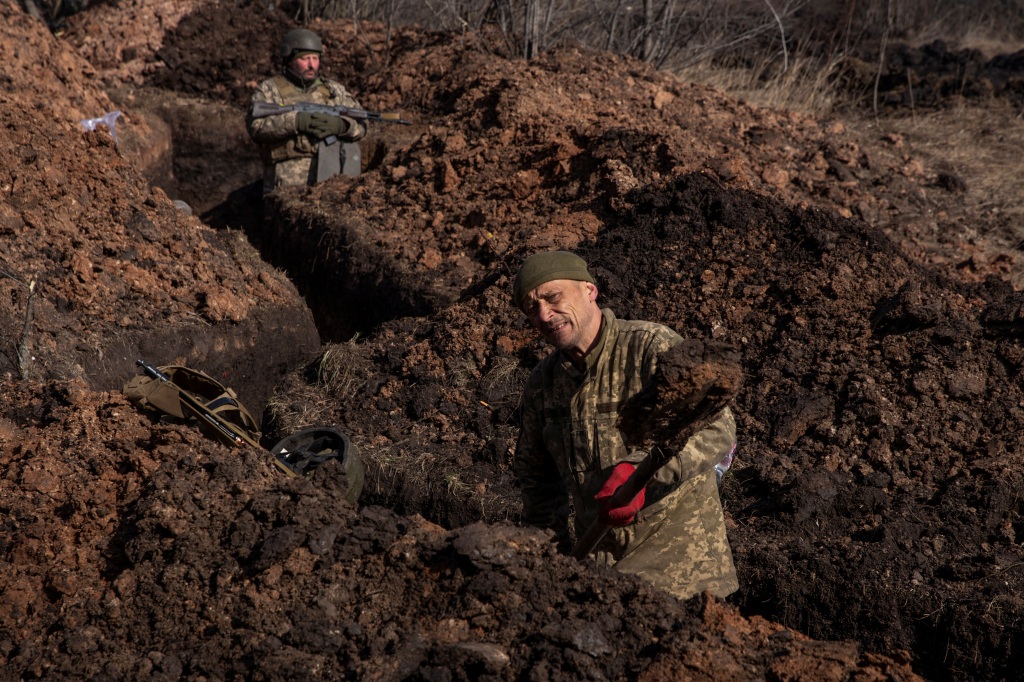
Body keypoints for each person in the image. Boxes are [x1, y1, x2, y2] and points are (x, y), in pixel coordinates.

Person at [512, 250, 739, 600]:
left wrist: (642, 474)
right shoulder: (542, 385)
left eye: (553, 297)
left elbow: (716, 429)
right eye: (531, 309)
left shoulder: (650, 346)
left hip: (681, 570)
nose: (544, 314)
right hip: (600, 571)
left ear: (589, 290)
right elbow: (537, 482)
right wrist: (549, 566)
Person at [246, 28, 367, 193]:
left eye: (315, 59)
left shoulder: (334, 91)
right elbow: (256, 127)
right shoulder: (270, 90)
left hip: (330, 184)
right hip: (285, 186)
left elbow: (362, 124)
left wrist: (342, 126)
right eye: (304, 58)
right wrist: (297, 121)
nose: (311, 65)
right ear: (289, 60)